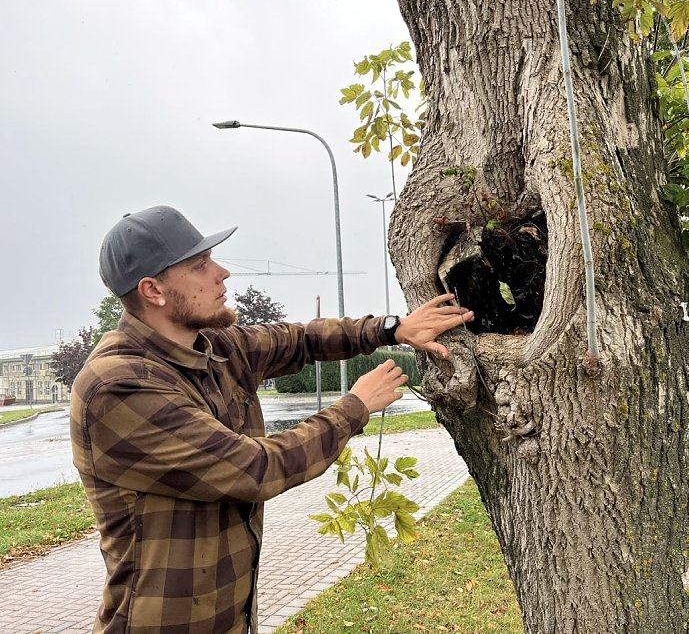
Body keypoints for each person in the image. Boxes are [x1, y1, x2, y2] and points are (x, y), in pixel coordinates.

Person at [70, 205, 474, 633]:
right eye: (200, 265)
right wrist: (354, 407)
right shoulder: (118, 386)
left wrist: (392, 329)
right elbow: (253, 469)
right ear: (153, 290)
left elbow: (298, 339)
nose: (221, 273)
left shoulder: (214, 347)